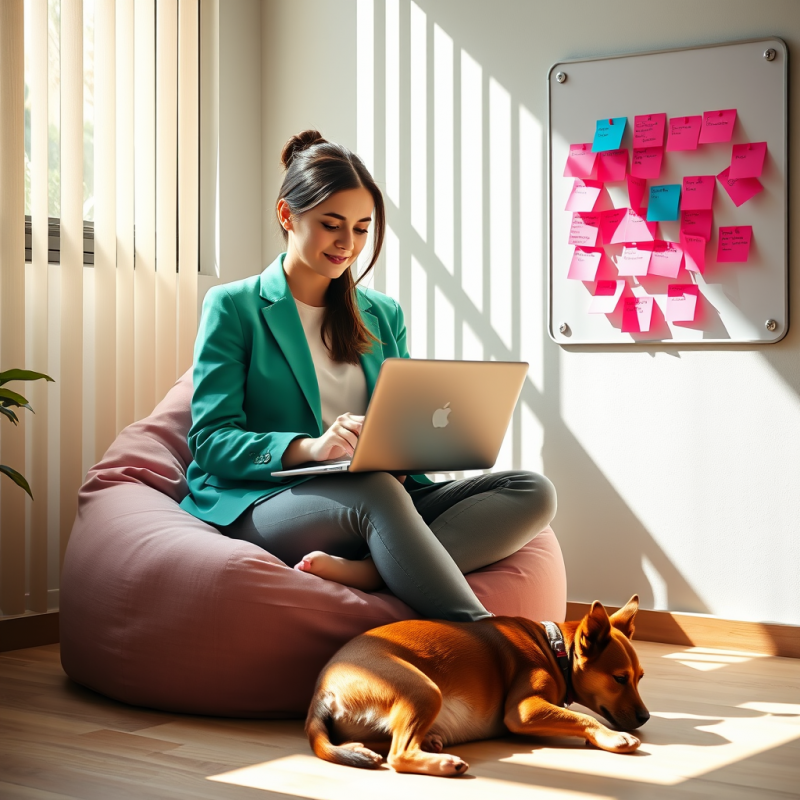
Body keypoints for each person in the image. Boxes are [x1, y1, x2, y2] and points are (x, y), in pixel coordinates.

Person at [180, 129, 557, 622]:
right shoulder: (234, 306)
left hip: (381, 492)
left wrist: (408, 450)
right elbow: (211, 439)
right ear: (287, 215)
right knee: (377, 492)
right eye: (331, 224)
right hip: (268, 498)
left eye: (361, 228)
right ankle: (487, 639)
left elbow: (401, 416)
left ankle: (373, 570)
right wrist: (312, 448)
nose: (348, 244)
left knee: (532, 490)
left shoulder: (382, 313)